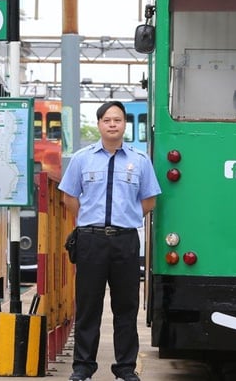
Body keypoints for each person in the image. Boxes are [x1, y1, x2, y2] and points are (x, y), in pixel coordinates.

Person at [59, 101, 162, 381]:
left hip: (125, 241)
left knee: (126, 308)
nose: (112, 124)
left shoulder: (140, 160)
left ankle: (125, 369)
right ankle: (83, 368)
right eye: (107, 120)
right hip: (90, 241)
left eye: (117, 119)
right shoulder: (82, 158)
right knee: (88, 306)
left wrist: (126, 217)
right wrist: (88, 220)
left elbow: (149, 200)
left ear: (124, 124)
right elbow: (69, 197)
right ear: (99, 124)